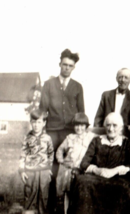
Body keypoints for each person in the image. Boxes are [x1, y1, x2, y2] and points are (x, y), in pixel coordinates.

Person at [39, 49, 84, 213]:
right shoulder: (49, 85)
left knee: (71, 168)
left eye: (70, 66)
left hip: (70, 133)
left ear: (73, 68)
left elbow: (81, 113)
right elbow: (42, 110)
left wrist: (81, 136)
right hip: (52, 131)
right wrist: (42, 134)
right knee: (52, 168)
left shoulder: (78, 87)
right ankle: (50, 206)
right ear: (60, 64)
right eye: (64, 64)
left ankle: (68, 207)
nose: (66, 68)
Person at [68, 112, 130, 214]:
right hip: (96, 177)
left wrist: (115, 171)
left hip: (118, 179)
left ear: (121, 128)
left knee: (122, 188)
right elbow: (84, 163)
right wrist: (98, 170)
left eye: (114, 125)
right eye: (108, 125)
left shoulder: (126, 143)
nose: (111, 129)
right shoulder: (97, 140)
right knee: (82, 182)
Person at [94, 68, 130, 156]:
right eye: (120, 77)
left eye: (126, 77)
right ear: (116, 78)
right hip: (107, 137)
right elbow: (99, 117)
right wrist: (97, 138)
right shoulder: (106, 95)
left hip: (126, 140)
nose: (122, 80)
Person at [55, 113, 95, 214]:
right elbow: (59, 150)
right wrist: (61, 160)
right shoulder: (70, 138)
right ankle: (65, 211)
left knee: (80, 194)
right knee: (67, 192)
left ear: (86, 126)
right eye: (77, 125)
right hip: (69, 169)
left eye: (82, 125)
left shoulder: (91, 137)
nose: (79, 128)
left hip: (82, 170)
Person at [19, 109, 54, 214]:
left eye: (39, 122)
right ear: (30, 122)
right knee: (30, 194)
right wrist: (22, 171)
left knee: (43, 196)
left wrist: (49, 169)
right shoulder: (26, 138)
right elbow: (22, 155)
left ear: (44, 123)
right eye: (33, 122)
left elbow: (51, 154)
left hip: (43, 172)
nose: (36, 125)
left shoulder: (47, 138)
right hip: (30, 171)